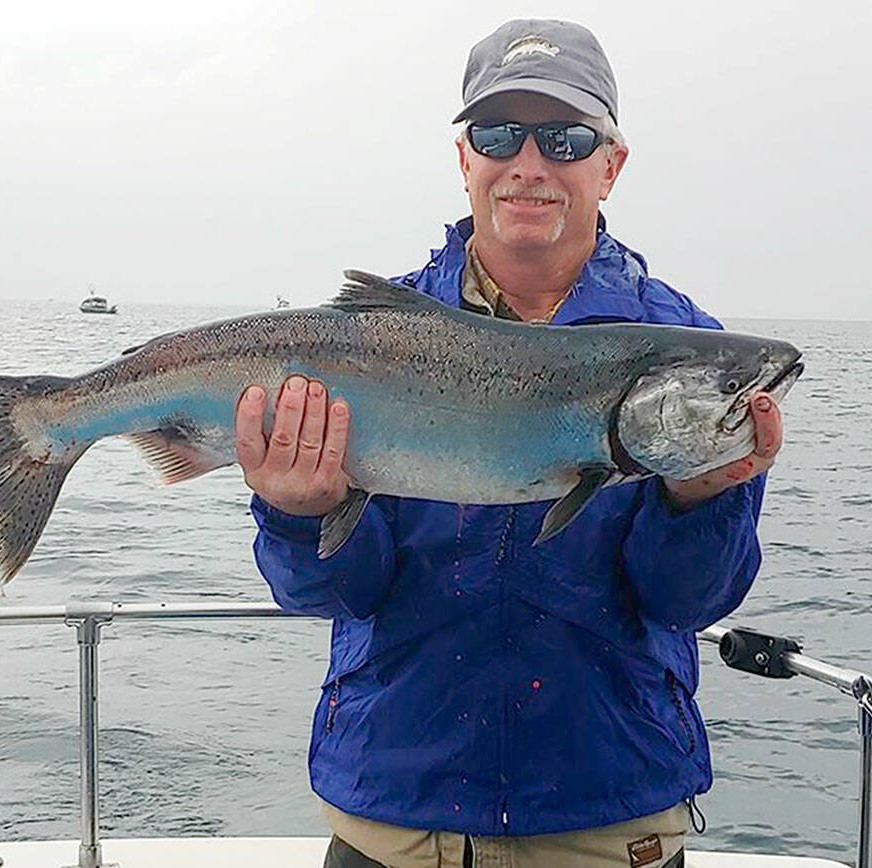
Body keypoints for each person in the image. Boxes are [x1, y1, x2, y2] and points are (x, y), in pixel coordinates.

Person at [234, 19, 785, 868]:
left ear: (611, 165)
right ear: (465, 159)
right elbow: (330, 594)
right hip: (395, 821)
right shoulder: (366, 339)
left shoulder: (685, 350)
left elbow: (689, 605)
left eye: (565, 137)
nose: (530, 163)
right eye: (498, 133)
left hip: (606, 824)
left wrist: (699, 501)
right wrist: (303, 515)